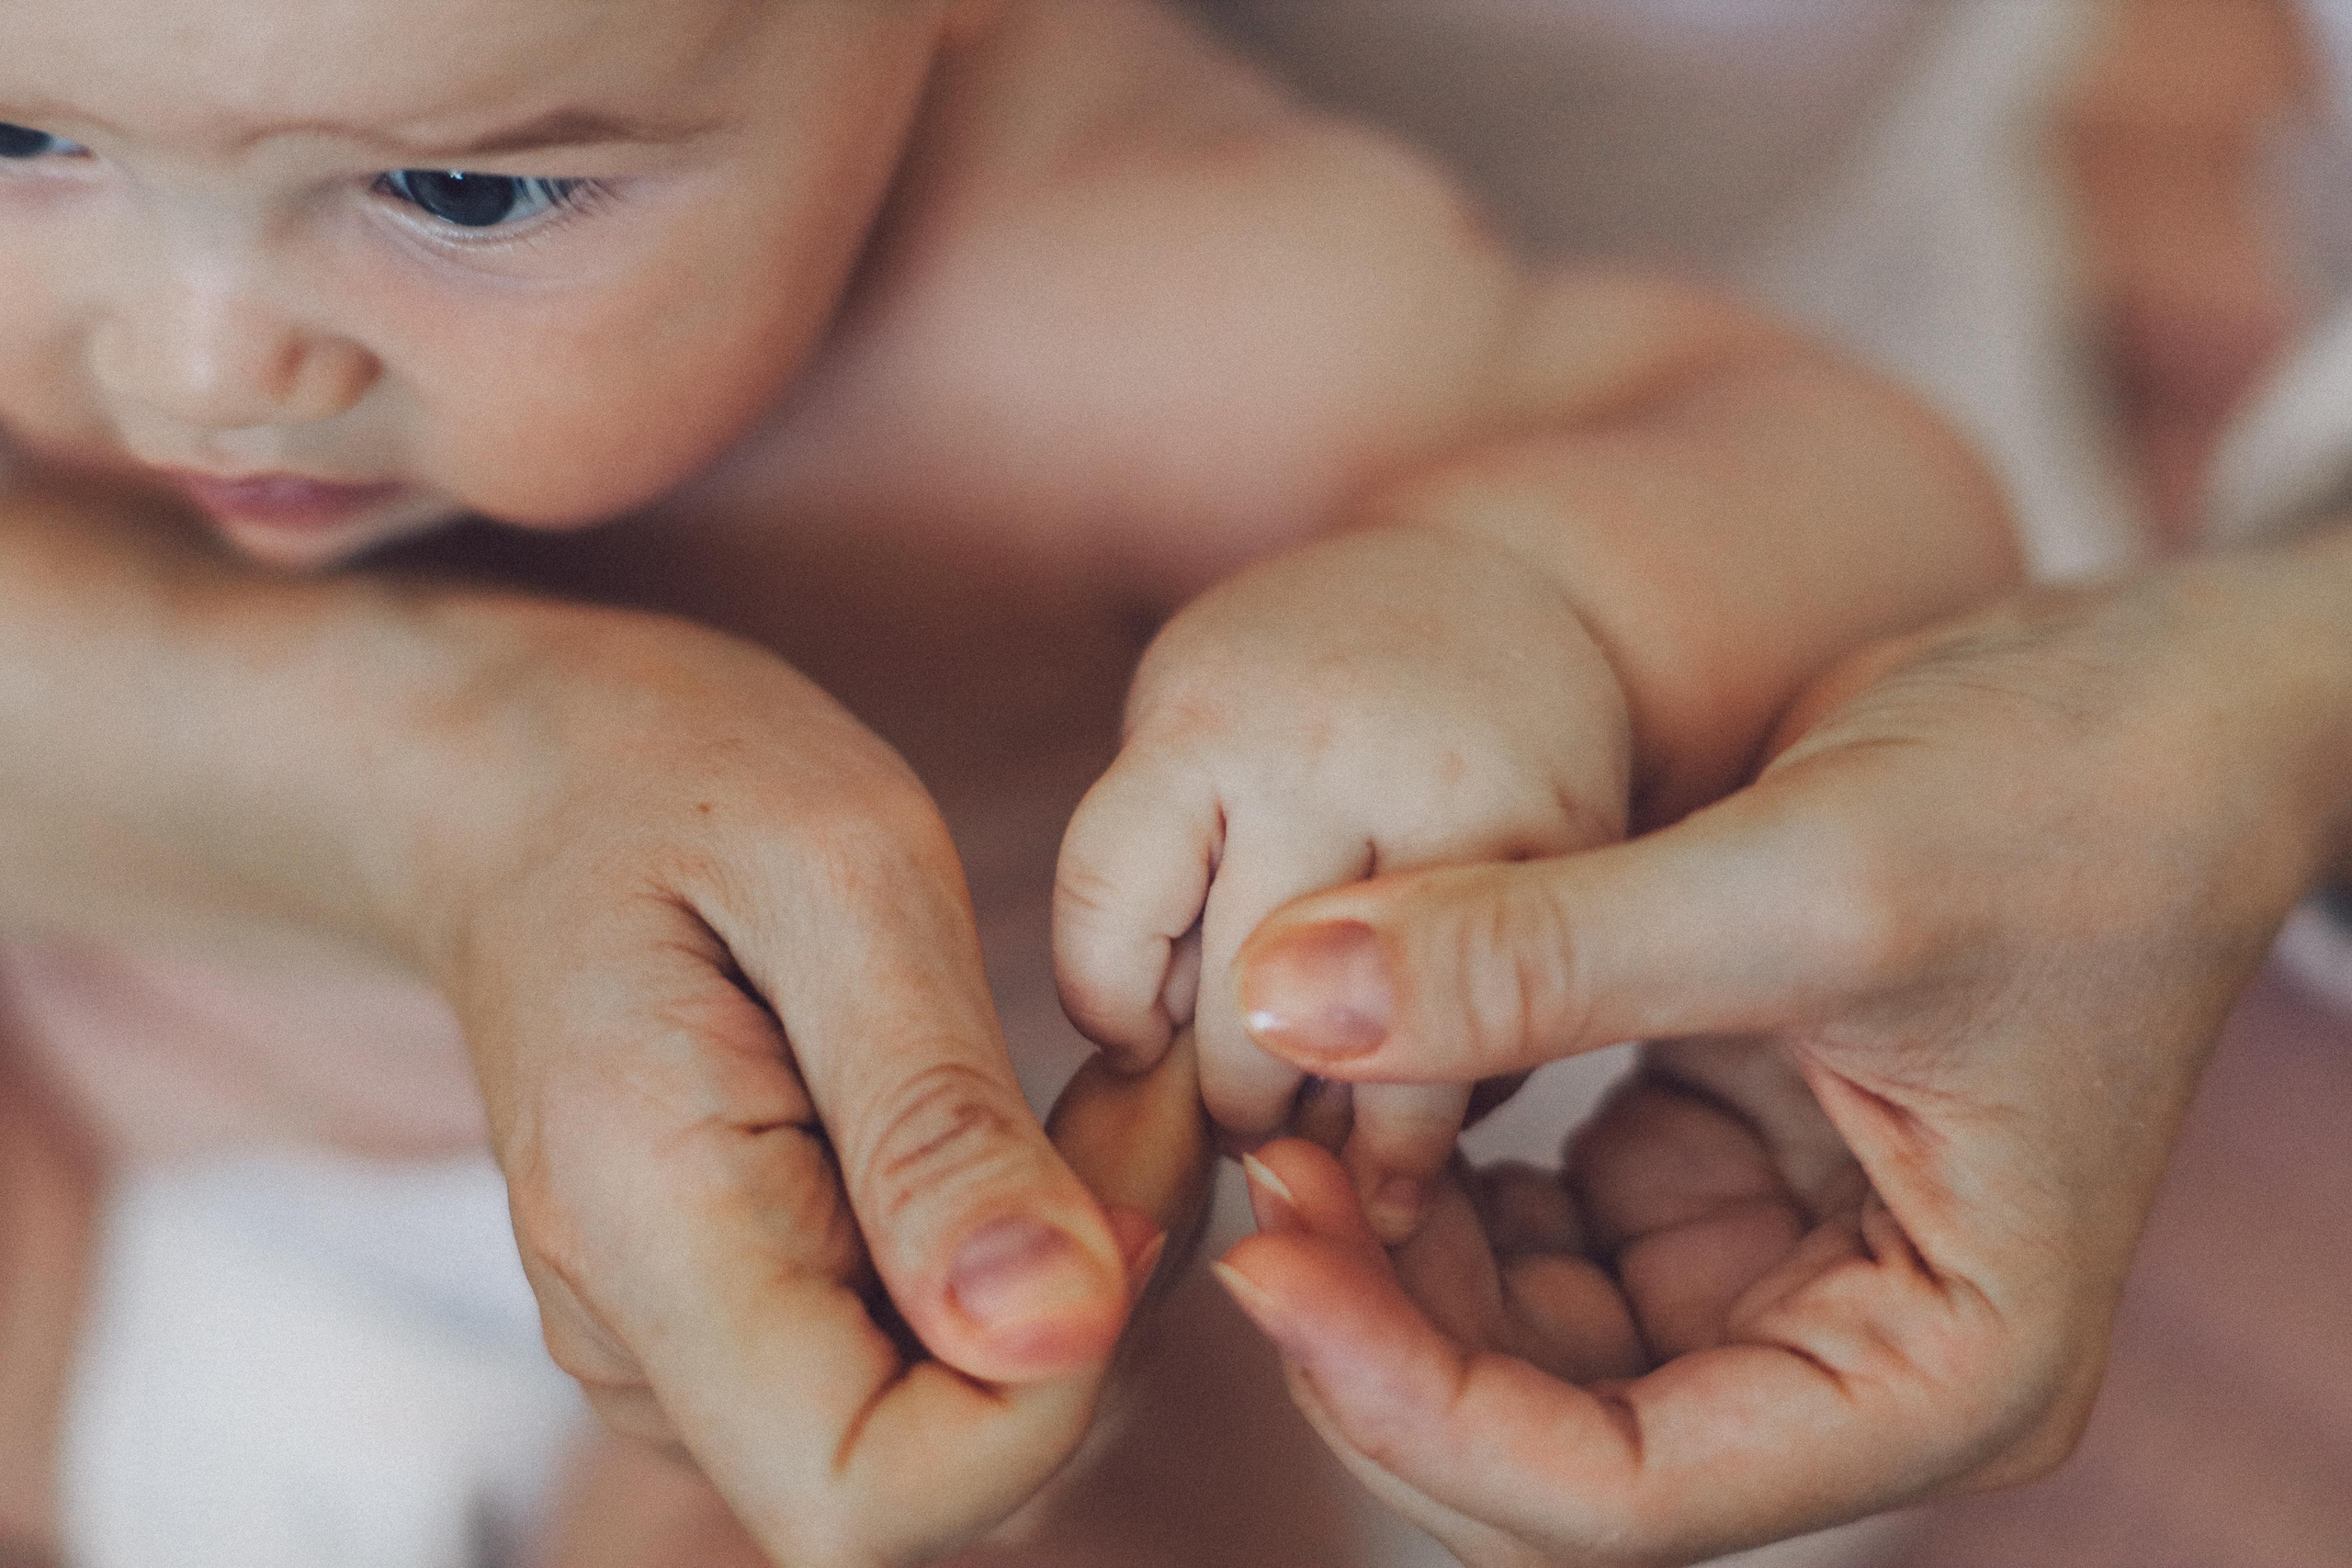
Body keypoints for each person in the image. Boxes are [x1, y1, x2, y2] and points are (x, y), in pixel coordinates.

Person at [0, 0, 2019, 1562]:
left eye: (464, 195)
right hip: (101, 1119)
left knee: (1099, 1465)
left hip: (878, 1312)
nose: (191, 364)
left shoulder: (1134, 289)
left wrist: (1516, 592)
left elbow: (1865, 491)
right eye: (25, 139)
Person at [1199, 2, 2352, 1561]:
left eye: (735, 148)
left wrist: (1512, 593)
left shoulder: (1109, 218)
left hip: (1781, 968)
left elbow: (1841, 458)